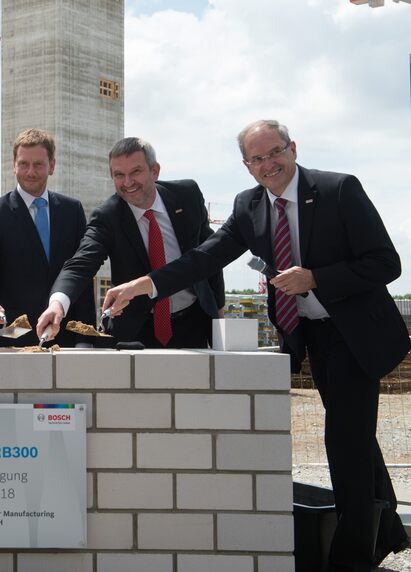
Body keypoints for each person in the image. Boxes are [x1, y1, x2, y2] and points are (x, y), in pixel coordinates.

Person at [106, 120, 410, 571]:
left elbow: (387, 262)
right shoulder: (248, 205)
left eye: (275, 153)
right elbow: (206, 256)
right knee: (356, 436)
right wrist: (145, 284)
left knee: (343, 440)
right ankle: (387, 533)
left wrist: (316, 278)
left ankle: (350, 560)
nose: (269, 165)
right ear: (245, 165)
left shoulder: (340, 189)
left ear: (293, 148)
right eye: (257, 159)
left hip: (354, 333)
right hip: (309, 336)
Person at [37, 137, 224, 347]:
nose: (127, 182)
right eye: (119, 175)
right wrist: (58, 304)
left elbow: (210, 256)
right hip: (137, 330)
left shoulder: (186, 196)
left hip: (194, 321)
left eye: (135, 172)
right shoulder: (107, 216)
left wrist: (219, 311)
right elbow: (80, 264)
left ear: (155, 171)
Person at [0, 128, 95, 346]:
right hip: (13, 334)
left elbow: (82, 273)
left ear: (52, 166)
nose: (30, 172)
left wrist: (86, 338)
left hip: (63, 333)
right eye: (24, 164)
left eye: (38, 164)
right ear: (13, 164)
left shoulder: (72, 210)